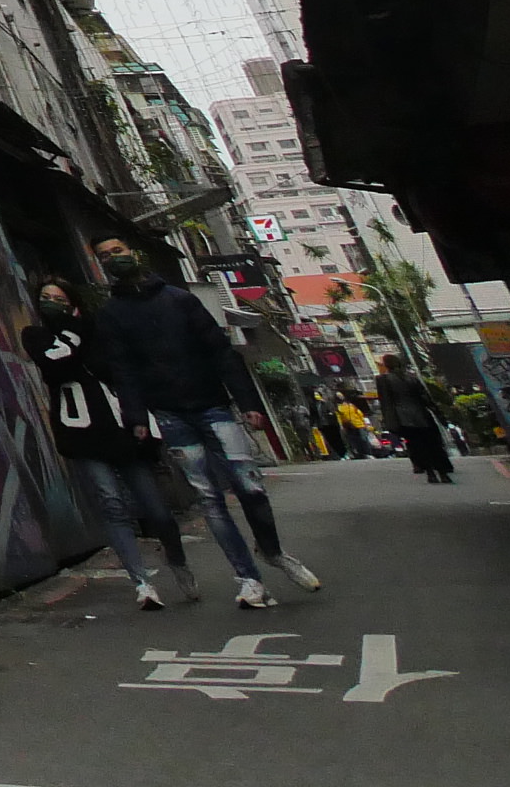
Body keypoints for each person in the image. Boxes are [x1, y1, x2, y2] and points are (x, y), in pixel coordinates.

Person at [85, 238, 324, 608]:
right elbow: (123, 370)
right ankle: (249, 579)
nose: (113, 259)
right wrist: (136, 417)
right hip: (170, 415)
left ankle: (272, 551)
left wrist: (248, 402)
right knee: (210, 498)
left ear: (133, 252)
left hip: (214, 406)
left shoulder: (179, 299)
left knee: (250, 487)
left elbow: (221, 352)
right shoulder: (112, 314)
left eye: (117, 251)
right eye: (104, 256)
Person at [25, 277, 187, 609]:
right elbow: (56, 361)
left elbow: (121, 371)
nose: (51, 302)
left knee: (157, 510)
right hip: (81, 432)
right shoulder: (36, 335)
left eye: (58, 297)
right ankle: (142, 583)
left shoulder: (99, 330)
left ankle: (178, 560)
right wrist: (73, 328)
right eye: (46, 297)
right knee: (111, 504)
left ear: (73, 302)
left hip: (120, 428)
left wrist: (138, 417)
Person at [374, 354, 458, 482]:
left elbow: (386, 402)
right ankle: (442, 472)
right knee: (432, 444)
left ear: (386, 365)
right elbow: (425, 398)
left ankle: (430, 473)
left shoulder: (383, 380)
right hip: (422, 415)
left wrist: (389, 422)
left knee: (417, 446)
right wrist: (438, 414)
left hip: (403, 419)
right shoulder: (411, 378)